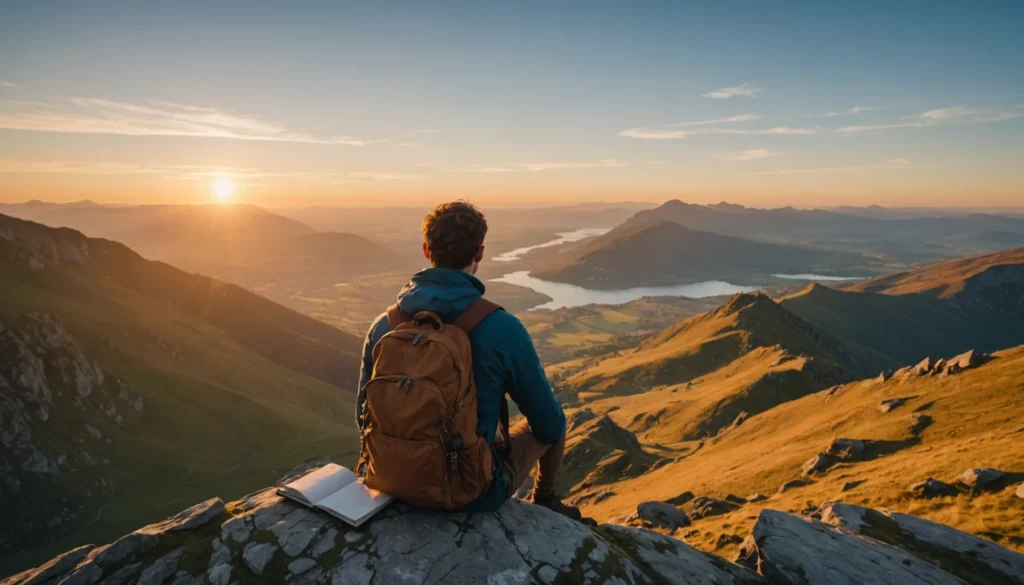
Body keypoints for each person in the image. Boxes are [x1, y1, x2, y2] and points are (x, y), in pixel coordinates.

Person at [355, 200, 581, 520]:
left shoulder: (384, 326)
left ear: (425, 250)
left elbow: (363, 413)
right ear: (479, 253)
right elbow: (548, 423)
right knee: (553, 421)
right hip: (470, 493)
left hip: (385, 479)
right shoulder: (501, 328)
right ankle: (546, 501)